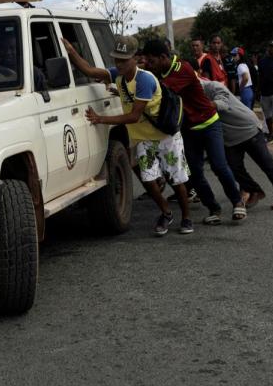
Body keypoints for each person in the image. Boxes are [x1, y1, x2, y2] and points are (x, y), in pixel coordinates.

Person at [62, 35, 194, 236]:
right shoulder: (118, 75)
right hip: (144, 139)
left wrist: (100, 119)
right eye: (116, 59)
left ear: (136, 58)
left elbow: (133, 116)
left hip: (166, 136)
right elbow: (89, 70)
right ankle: (166, 212)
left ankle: (186, 217)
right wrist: (71, 51)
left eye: (124, 60)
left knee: (177, 179)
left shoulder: (144, 80)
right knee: (148, 180)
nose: (119, 64)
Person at [140, 39, 246, 224]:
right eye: (146, 62)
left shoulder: (182, 69)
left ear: (164, 57)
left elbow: (160, 92)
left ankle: (237, 201)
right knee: (195, 172)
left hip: (209, 123)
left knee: (219, 166)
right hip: (189, 129)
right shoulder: (161, 71)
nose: (149, 65)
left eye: (151, 61)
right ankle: (214, 208)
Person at [199, 78, 273, 210]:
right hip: (230, 136)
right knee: (233, 167)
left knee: (266, 163)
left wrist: (205, 105)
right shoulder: (188, 96)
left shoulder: (212, 86)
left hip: (248, 128)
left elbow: (223, 102)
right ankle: (254, 191)